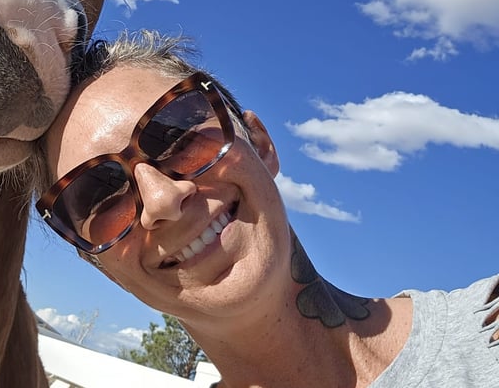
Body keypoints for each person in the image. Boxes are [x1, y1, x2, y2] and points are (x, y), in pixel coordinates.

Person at [36, 30, 499, 388]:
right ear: (94, 258)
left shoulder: (483, 333)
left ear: (260, 143)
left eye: (177, 135)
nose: (162, 200)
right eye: (97, 195)